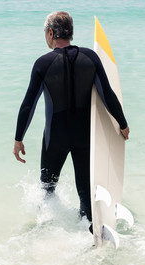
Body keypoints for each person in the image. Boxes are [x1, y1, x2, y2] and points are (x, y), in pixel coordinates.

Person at [13, 11, 129, 222]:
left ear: (50, 33)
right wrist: (122, 123)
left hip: (54, 138)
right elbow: (107, 95)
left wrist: (18, 138)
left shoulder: (42, 64)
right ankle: (89, 229)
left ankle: (46, 228)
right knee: (85, 193)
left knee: (47, 189)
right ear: (71, 32)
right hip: (83, 138)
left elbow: (28, 104)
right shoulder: (90, 58)